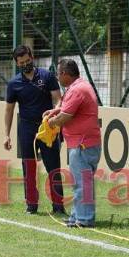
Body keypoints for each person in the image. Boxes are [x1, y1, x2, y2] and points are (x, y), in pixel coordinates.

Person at [4, 45, 65, 214]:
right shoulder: (14, 84)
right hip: (26, 128)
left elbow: (59, 100)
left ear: (32, 57)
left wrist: (53, 116)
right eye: (21, 62)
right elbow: (9, 110)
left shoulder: (47, 76)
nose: (25, 64)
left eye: (27, 60)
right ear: (17, 63)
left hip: (47, 128)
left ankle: (58, 205)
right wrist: (6, 135)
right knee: (28, 166)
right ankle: (31, 205)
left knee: (53, 166)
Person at [45, 59, 101, 228]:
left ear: (64, 74)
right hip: (83, 143)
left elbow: (65, 117)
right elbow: (66, 108)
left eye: (58, 74)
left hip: (82, 145)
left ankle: (84, 219)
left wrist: (51, 122)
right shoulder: (79, 86)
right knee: (81, 182)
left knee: (81, 184)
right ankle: (77, 216)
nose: (57, 77)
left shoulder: (77, 90)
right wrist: (55, 111)